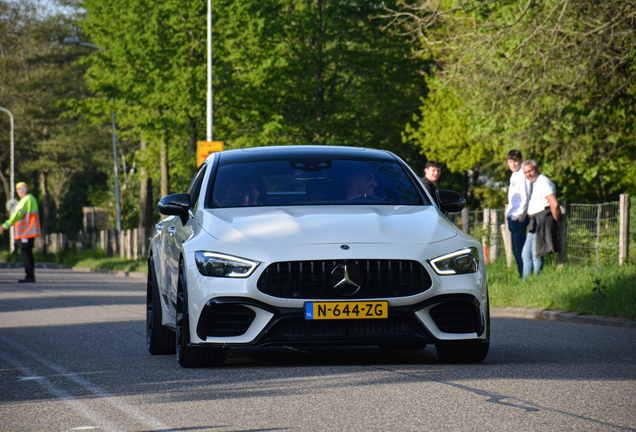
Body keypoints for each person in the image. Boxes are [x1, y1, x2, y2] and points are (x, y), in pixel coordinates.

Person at [520, 160, 560, 279]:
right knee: (526, 254)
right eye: (526, 172)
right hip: (534, 222)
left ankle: (536, 280)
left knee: (536, 254)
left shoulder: (543, 182)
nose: (529, 174)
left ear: (537, 169)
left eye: (530, 171)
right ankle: (526, 282)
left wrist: (556, 221)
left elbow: (554, 204)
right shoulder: (536, 183)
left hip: (541, 221)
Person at [0, 182, 42, 283]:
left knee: (25, 253)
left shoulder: (26, 200)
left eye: (18, 192)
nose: (18, 194)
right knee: (27, 252)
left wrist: (5, 226)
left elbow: (17, 215)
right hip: (29, 231)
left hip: (27, 232)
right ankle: (30, 275)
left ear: (22, 191)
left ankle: (30, 276)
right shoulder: (32, 199)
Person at [505, 150, 532, 278]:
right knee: (515, 250)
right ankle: (522, 275)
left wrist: (519, 216)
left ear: (521, 161)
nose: (513, 164)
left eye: (515, 161)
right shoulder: (514, 175)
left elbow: (525, 197)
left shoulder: (522, 175)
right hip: (512, 216)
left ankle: (525, 276)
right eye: (510, 161)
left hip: (518, 218)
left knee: (520, 250)